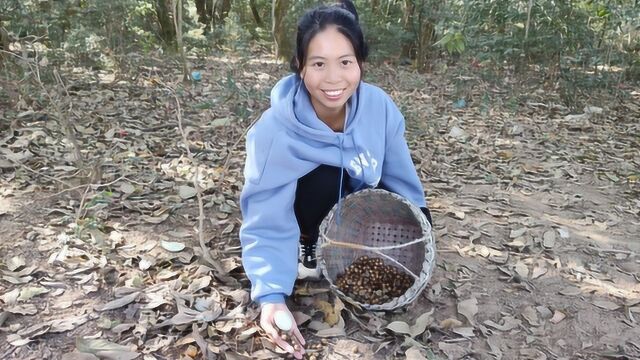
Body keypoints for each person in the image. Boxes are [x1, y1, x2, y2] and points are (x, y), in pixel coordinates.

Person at [239, 1, 432, 358]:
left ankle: (352, 245)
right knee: (327, 174)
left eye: (345, 62)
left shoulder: (379, 107)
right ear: (299, 66)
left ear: (360, 63)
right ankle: (309, 245)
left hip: (360, 213)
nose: (333, 79)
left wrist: (418, 229)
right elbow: (265, 219)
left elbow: (401, 177)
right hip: (305, 209)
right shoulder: (272, 133)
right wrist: (271, 297)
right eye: (318, 64)